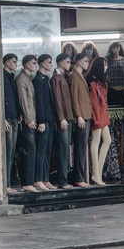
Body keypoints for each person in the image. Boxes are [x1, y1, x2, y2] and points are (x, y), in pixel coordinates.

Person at [85, 57, 111, 186]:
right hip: (98, 115)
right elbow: (94, 103)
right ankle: (96, 173)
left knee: (107, 141)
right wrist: (96, 118)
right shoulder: (93, 83)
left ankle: (97, 173)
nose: (106, 67)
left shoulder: (100, 82)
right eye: (104, 65)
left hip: (103, 114)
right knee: (96, 141)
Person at [32, 54, 57, 190]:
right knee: (41, 150)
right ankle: (38, 178)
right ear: (42, 63)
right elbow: (39, 102)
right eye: (48, 62)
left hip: (50, 119)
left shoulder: (46, 79)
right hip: (44, 119)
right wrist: (41, 120)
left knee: (47, 151)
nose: (50, 64)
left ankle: (45, 178)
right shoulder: (38, 79)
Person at [51, 53, 75, 189]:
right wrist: (61, 118)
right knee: (62, 149)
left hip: (67, 117)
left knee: (65, 149)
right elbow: (57, 99)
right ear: (60, 62)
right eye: (67, 62)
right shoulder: (56, 78)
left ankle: (64, 179)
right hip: (64, 118)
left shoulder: (62, 77)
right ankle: (62, 180)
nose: (69, 64)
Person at [68, 52, 92, 188]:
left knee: (83, 147)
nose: (87, 63)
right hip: (81, 116)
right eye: (85, 61)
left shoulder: (80, 76)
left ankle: (80, 176)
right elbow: (74, 98)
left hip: (86, 115)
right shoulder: (74, 76)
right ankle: (78, 177)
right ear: (78, 61)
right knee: (80, 147)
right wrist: (79, 116)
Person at [15, 55, 39, 192]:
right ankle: (26, 182)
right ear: (26, 64)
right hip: (27, 121)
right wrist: (28, 119)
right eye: (33, 63)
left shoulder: (28, 79)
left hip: (31, 119)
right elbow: (24, 101)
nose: (35, 65)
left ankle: (29, 181)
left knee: (31, 149)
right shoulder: (22, 79)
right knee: (29, 150)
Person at [2, 53, 21, 194]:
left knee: (12, 150)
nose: (15, 64)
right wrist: (2, 118)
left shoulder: (12, 78)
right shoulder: (2, 77)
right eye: (14, 61)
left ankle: (8, 182)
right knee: (8, 151)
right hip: (7, 118)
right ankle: (6, 184)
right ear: (7, 62)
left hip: (14, 117)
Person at [106, 41, 124, 107]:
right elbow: (105, 72)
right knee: (112, 109)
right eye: (113, 48)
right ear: (111, 49)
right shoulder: (108, 60)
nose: (115, 50)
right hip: (111, 89)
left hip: (122, 89)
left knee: (123, 110)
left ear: (120, 48)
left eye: (117, 47)